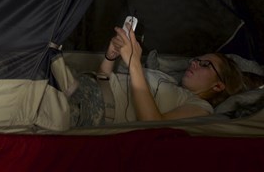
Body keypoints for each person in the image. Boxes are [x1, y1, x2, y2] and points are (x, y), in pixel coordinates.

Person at [68, 23, 245, 127]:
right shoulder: (166, 79)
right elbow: (104, 80)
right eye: (196, 60)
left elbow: (152, 124)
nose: (194, 63)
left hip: (89, 108)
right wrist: (110, 56)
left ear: (218, 85)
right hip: (83, 84)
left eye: (205, 64)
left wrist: (134, 64)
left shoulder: (200, 107)